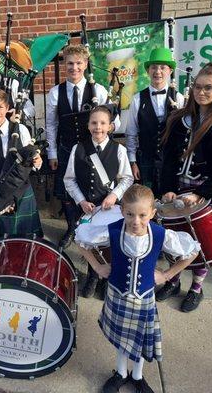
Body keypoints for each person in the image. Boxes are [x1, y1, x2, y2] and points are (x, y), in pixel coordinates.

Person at [77, 184, 199, 393]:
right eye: (130, 214)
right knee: (121, 337)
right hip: (117, 294)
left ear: (153, 213)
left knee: (140, 339)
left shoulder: (161, 234)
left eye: (143, 215)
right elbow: (81, 239)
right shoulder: (114, 229)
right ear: (122, 211)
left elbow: (192, 251)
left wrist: (167, 275)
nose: (136, 221)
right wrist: (97, 266)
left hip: (144, 298)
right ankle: (121, 373)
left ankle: (137, 376)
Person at [158, 62, 212, 312]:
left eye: (208, 88)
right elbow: (169, 158)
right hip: (178, 188)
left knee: (200, 241)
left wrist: (202, 193)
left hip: (207, 191)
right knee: (174, 239)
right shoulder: (179, 118)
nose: (201, 92)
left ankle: (196, 287)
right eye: (197, 86)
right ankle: (172, 280)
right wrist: (168, 187)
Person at [45, 44, 119, 249]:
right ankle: (72, 228)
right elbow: (51, 125)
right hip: (67, 149)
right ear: (64, 64)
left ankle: (94, 226)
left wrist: (110, 125)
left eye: (78, 63)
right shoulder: (55, 93)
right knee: (68, 193)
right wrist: (52, 153)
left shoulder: (100, 90)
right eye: (70, 63)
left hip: (92, 150)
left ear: (85, 64)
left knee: (92, 188)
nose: (74, 68)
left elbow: (114, 122)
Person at [63, 106, 133, 298]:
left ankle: (107, 278)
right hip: (86, 208)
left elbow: (127, 178)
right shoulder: (78, 149)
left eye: (103, 123)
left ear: (110, 127)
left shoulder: (119, 150)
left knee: (108, 243)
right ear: (88, 125)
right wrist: (81, 201)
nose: (98, 127)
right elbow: (69, 179)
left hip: (109, 208)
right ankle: (94, 275)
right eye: (94, 123)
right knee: (89, 242)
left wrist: (114, 196)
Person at [0, 89, 42, 238]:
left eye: (0, 107)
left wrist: (38, 162)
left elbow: (31, 162)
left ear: (7, 108)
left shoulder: (21, 130)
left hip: (23, 193)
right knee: (5, 242)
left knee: (29, 240)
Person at [124, 48, 184, 195]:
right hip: (145, 161)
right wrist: (133, 162)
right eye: (154, 67)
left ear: (170, 71)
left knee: (171, 201)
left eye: (162, 67)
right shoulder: (137, 99)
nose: (158, 71)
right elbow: (131, 133)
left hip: (172, 162)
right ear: (148, 71)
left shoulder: (180, 98)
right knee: (147, 200)